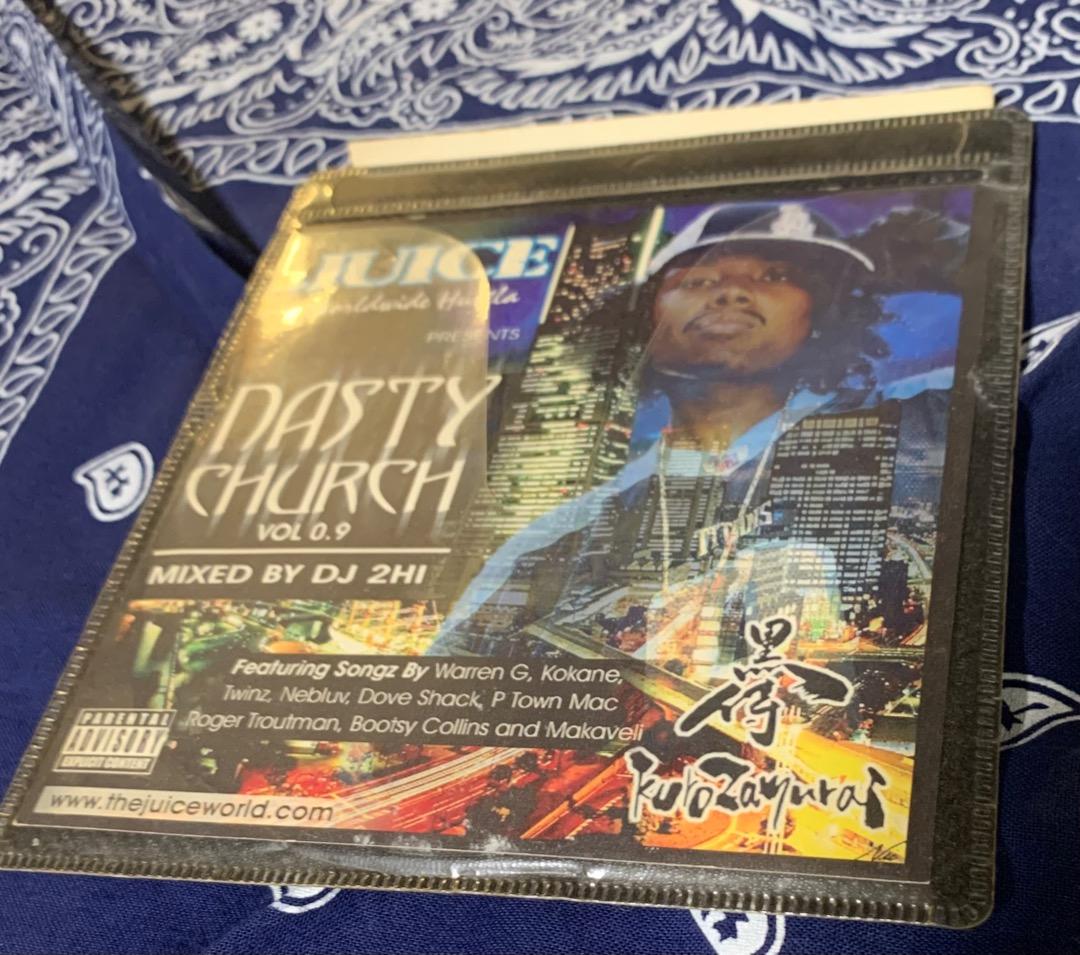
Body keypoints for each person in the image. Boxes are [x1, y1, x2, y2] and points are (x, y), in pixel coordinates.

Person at [433, 201, 952, 674]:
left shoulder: (924, 422)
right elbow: (451, 681)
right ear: (646, 319)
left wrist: (939, 253)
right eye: (698, 279)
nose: (732, 291)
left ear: (822, 314)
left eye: (775, 275)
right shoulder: (561, 533)